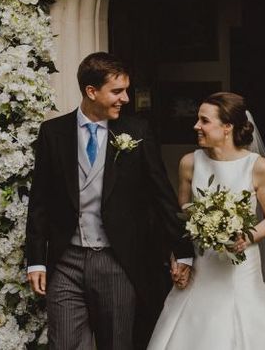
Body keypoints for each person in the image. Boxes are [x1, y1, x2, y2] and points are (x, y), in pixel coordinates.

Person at [25, 52, 194, 350]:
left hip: (117, 260)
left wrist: (182, 251)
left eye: (126, 90)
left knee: (117, 343)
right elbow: (40, 201)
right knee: (63, 344)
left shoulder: (136, 132)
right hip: (66, 261)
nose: (125, 99)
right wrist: (37, 260)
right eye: (117, 91)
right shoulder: (53, 133)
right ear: (92, 91)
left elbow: (161, 195)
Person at [147, 92, 265, 350]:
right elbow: (181, 215)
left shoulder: (257, 166)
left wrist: (247, 236)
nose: (196, 126)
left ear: (227, 127)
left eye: (204, 121)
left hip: (241, 266)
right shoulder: (190, 163)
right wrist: (180, 259)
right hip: (204, 265)